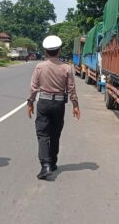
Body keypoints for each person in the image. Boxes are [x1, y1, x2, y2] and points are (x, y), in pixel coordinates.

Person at [27, 35, 80, 180]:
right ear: (59, 50)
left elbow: (33, 87)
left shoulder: (39, 66)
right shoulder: (66, 68)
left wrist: (30, 103)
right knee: (55, 133)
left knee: (43, 134)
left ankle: (45, 166)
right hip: (58, 104)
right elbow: (71, 88)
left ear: (45, 51)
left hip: (43, 103)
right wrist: (75, 105)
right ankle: (53, 162)